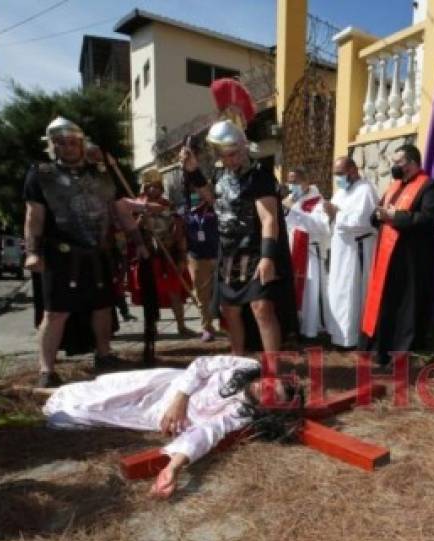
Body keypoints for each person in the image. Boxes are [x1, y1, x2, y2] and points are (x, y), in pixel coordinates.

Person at [43, 354, 302, 499]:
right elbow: (201, 366)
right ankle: (35, 391)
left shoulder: (242, 413)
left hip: (157, 414)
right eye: (269, 384)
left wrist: (173, 467)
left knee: (78, 414)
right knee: (103, 389)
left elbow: (207, 433)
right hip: (170, 385)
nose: (262, 388)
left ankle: (45, 398)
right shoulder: (248, 366)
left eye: (269, 395)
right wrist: (180, 399)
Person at [23, 116, 145, 387]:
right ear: (52, 145)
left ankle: (104, 356)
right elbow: (34, 216)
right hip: (61, 254)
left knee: (102, 307)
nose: (68, 147)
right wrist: (32, 252)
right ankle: (46, 370)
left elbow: (118, 208)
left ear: (82, 143)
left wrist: (138, 239)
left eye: (73, 142)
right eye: (61, 143)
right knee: (55, 312)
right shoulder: (41, 174)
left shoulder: (101, 173)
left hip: (98, 252)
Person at [181, 120, 297, 354]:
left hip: (255, 251)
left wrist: (267, 257)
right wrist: (193, 171)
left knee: (261, 307)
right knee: (230, 310)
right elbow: (213, 198)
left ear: (244, 147)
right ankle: (238, 361)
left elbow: (269, 219)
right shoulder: (221, 173)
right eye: (224, 155)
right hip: (230, 252)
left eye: (233, 154)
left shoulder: (260, 176)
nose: (229, 160)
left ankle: (273, 369)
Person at [361, 144, 434, 365]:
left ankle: (401, 353)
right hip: (386, 258)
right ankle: (380, 348)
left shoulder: (429, 187)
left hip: (410, 259)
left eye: (398, 162)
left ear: (412, 163)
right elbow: (378, 213)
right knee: (385, 303)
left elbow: (427, 219)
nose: (393, 166)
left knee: (405, 305)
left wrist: (394, 217)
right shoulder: (394, 186)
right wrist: (378, 215)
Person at [311, 156, 377, 348]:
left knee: (351, 293)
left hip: (356, 251)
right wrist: (327, 214)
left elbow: (363, 222)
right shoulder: (341, 192)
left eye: (340, 173)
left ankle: (353, 338)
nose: (337, 178)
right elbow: (333, 218)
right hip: (340, 250)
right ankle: (338, 335)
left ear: (353, 170)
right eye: (335, 174)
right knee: (338, 291)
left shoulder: (366, 190)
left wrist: (336, 214)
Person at [128, 168, 194, 338]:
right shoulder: (136, 206)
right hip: (148, 256)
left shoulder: (168, 206)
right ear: (144, 188)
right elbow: (127, 231)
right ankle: (151, 327)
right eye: (149, 186)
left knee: (175, 292)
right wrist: (138, 221)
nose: (153, 190)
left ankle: (181, 325)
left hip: (168, 254)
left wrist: (181, 256)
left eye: (156, 186)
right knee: (149, 294)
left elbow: (179, 233)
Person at [283, 166, 329, 339]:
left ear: (306, 181)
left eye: (295, 182)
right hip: (292, 249)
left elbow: (319, 226)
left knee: (310, 292)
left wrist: (295, 209)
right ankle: (294, 325)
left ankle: (311, 328)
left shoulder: (317, 201)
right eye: (289, 182)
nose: (291, 185)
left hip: (309, 253)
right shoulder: (290, 199)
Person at [183, 190, 219, 342]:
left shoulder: (218, 210)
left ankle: (230, 327)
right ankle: (207, 328)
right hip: (197, 258)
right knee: (202, 295)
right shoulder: (185, 214)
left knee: (225, 294)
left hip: (220, 256)